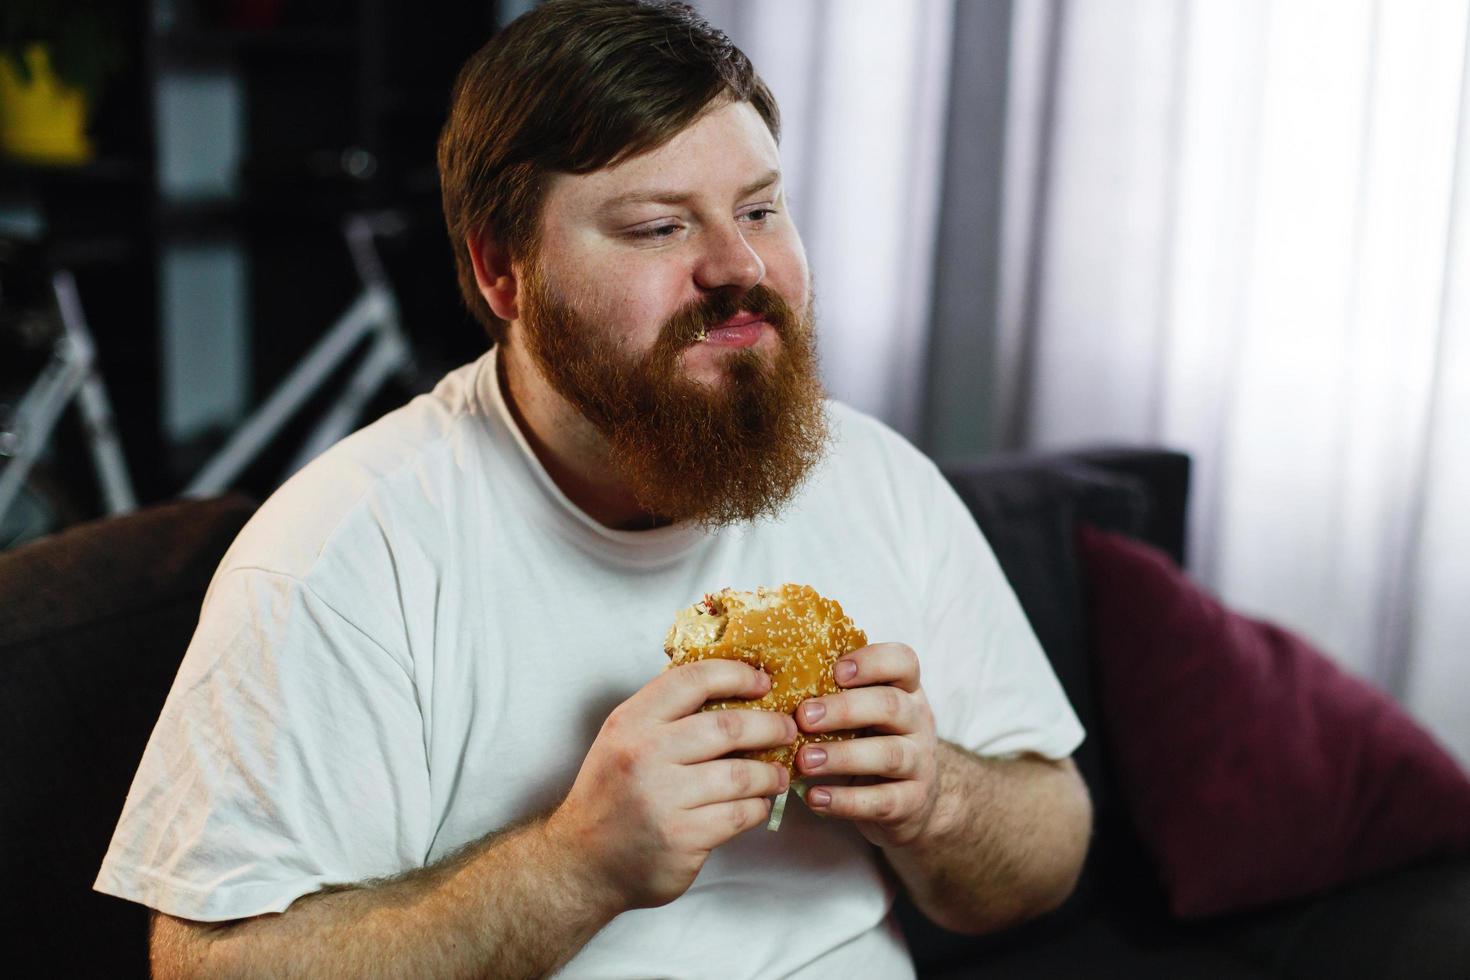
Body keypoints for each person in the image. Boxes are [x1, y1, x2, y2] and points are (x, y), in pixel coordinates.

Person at [96, 2, 1092, 976]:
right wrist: (579, 863)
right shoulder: (345, 553)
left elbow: (1051, 840)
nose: (739, 265)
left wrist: (938, 800)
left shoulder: (875, 476)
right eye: (659, 226)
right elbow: (209, 962)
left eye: (759, 208)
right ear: (503, 272)